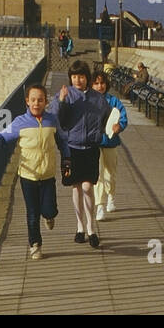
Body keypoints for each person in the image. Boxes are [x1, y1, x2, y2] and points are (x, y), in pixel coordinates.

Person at [0, 85, 60, 260]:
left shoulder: (52, 120)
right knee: (32, 212)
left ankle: (49, 216)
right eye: (33, 100)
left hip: (48, 174)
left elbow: (63, 141)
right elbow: (4, 136)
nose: (37, 103)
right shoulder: (20, 122)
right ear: (27, 101)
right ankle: (35, 244)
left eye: (41, 100)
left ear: (46, 102)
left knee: (49, 210)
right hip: (28, 176)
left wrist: (66, 160)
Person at [53, 60, 108, 248]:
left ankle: (91, 226)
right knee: (76, 187)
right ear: (70, 78)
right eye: (74, 77)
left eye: (81, 76)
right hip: (71, 147)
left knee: (87, 187)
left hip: (90, 147)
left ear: (87, 78)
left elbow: (107, 116)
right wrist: (61, 101)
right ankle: (80, 227)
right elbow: (58, 120)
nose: (78, 80)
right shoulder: (66, 95)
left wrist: (101, 133)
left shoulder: (98, 98)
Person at [90, 68, 128, 221]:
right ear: (92, 85)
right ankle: (100, 205)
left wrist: (120, 126)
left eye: (102, 83)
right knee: (97, 174)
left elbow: (123, 117)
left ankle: (111, 196)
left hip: (111, 142)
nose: (100, 86)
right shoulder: (89, 101)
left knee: (110, 173)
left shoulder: (114, 101)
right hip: (95, 142)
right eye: (96, 83)